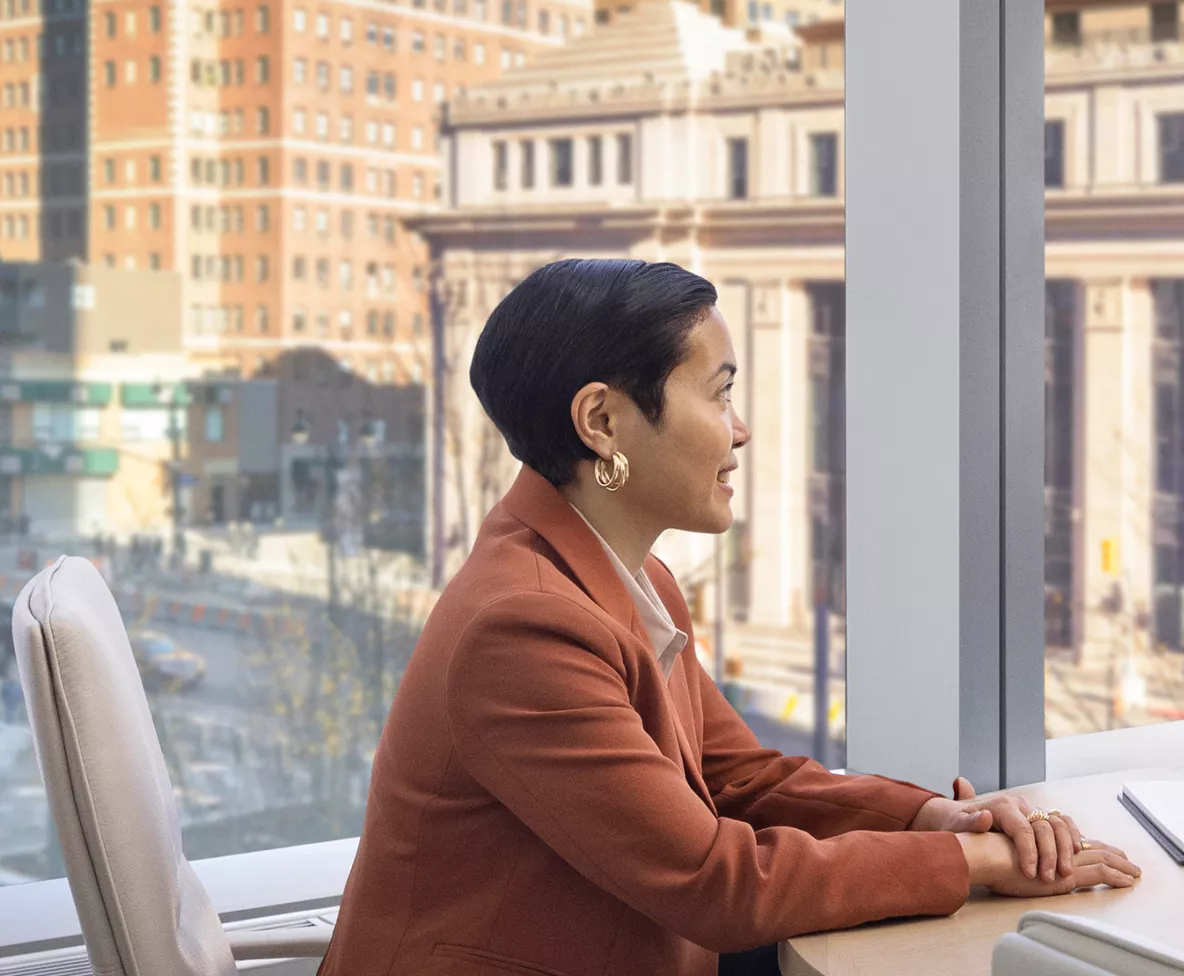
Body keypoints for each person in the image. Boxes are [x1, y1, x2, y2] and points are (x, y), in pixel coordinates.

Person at [321, 259, 1138, 976]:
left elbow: (736, 780)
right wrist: (975, 860)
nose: (741, 431)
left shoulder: (634, 581)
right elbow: (717, 881)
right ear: (602, 423)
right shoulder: (523, 630)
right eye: (720, 395)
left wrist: (930, 815)